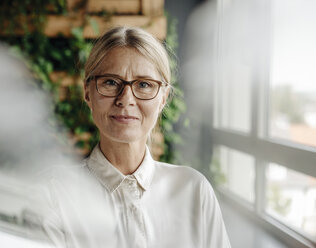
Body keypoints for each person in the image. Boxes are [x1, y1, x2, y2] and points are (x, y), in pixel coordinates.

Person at [33, 26, 231, 248]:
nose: (125, 99)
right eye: (110, 82)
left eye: (144, 84)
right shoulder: (54, 193)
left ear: (163, 98)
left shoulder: (194, 190)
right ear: (88, 92)